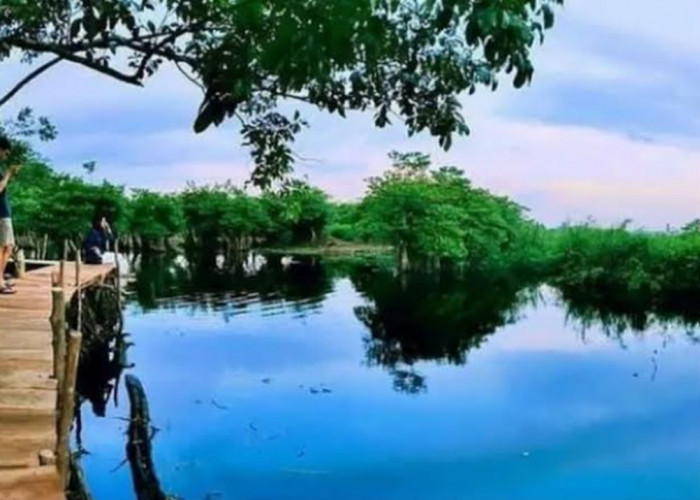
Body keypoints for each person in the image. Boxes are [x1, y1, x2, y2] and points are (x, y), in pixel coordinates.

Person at [0, 135, 19, 295]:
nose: (5, 155)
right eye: (5, 151)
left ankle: (0, 278)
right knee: (3, 247)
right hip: (1, 213)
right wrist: (7, 175)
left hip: (4, 211)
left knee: (8, 246)